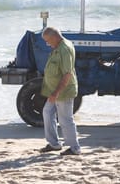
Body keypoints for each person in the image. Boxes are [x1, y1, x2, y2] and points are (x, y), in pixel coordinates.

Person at [39, 27, 81, 156]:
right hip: (54, 90)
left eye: (48, 41)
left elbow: (67, 74)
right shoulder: (58, 46)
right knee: (47, 112)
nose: (48, 44)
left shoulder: (64, 49)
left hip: (63, 91)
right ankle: (54, 144)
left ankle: (75, 148)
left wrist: (56, 93)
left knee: (65, 119)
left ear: (55, 37)